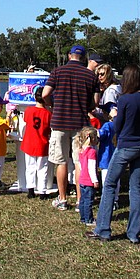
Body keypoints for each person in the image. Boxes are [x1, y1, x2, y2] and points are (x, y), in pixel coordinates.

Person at [87, 64, 140, 244]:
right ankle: (133, 233)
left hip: (125, 146)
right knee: (136, 189)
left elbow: (117, 127)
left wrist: (115, 115)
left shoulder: (125, 100)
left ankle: (103, 229)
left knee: (109, 184)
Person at [41, 45, 97, 211]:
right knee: (80, 163)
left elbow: (45, 94)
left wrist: (53, 106)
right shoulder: (90, 75)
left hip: (59, 122)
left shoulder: (57, 72)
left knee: (61, 161)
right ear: (84, 58)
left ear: (69, 55)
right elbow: (94, 103)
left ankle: (63, 198)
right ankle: (81, 200)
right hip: (80, 124)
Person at [20, 86, 52, 198]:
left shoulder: (29, 110)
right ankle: (42, 191)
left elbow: (25, 121)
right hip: (42, 143)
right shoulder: (48, 114)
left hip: (29, 142)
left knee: (30, 167)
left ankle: (31, 190)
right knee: (42, 168)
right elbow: (49, 130)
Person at [75, 126, 100, 226]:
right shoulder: (92, 152)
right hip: (89, 181)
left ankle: (83, 217)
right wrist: (95, 180)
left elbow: (81, 166)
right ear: (92, 139)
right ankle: (89, 219)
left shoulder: (81, 151)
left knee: (82, 200)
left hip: (82, 179)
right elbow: (91, 167)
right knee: (89, 201)